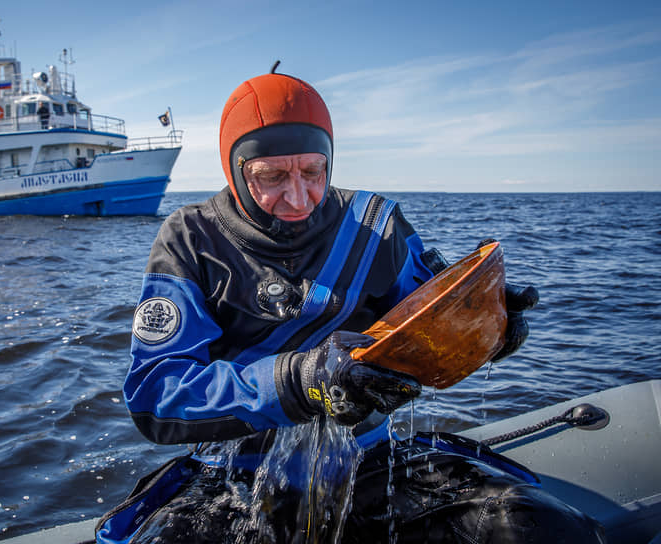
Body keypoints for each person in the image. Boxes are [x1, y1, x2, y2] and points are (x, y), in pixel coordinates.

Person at [104, 69, 605, 543]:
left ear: (329, 160)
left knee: (539, 527)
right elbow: (157, 395)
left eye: (312, 171)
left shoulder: (376, 227)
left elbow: (429, 332)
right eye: (271, 177)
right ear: (235, 171)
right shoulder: (191, 238)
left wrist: (487, 329)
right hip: (235, 473)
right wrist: (299, 381)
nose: (298, 197)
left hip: (369, 459)